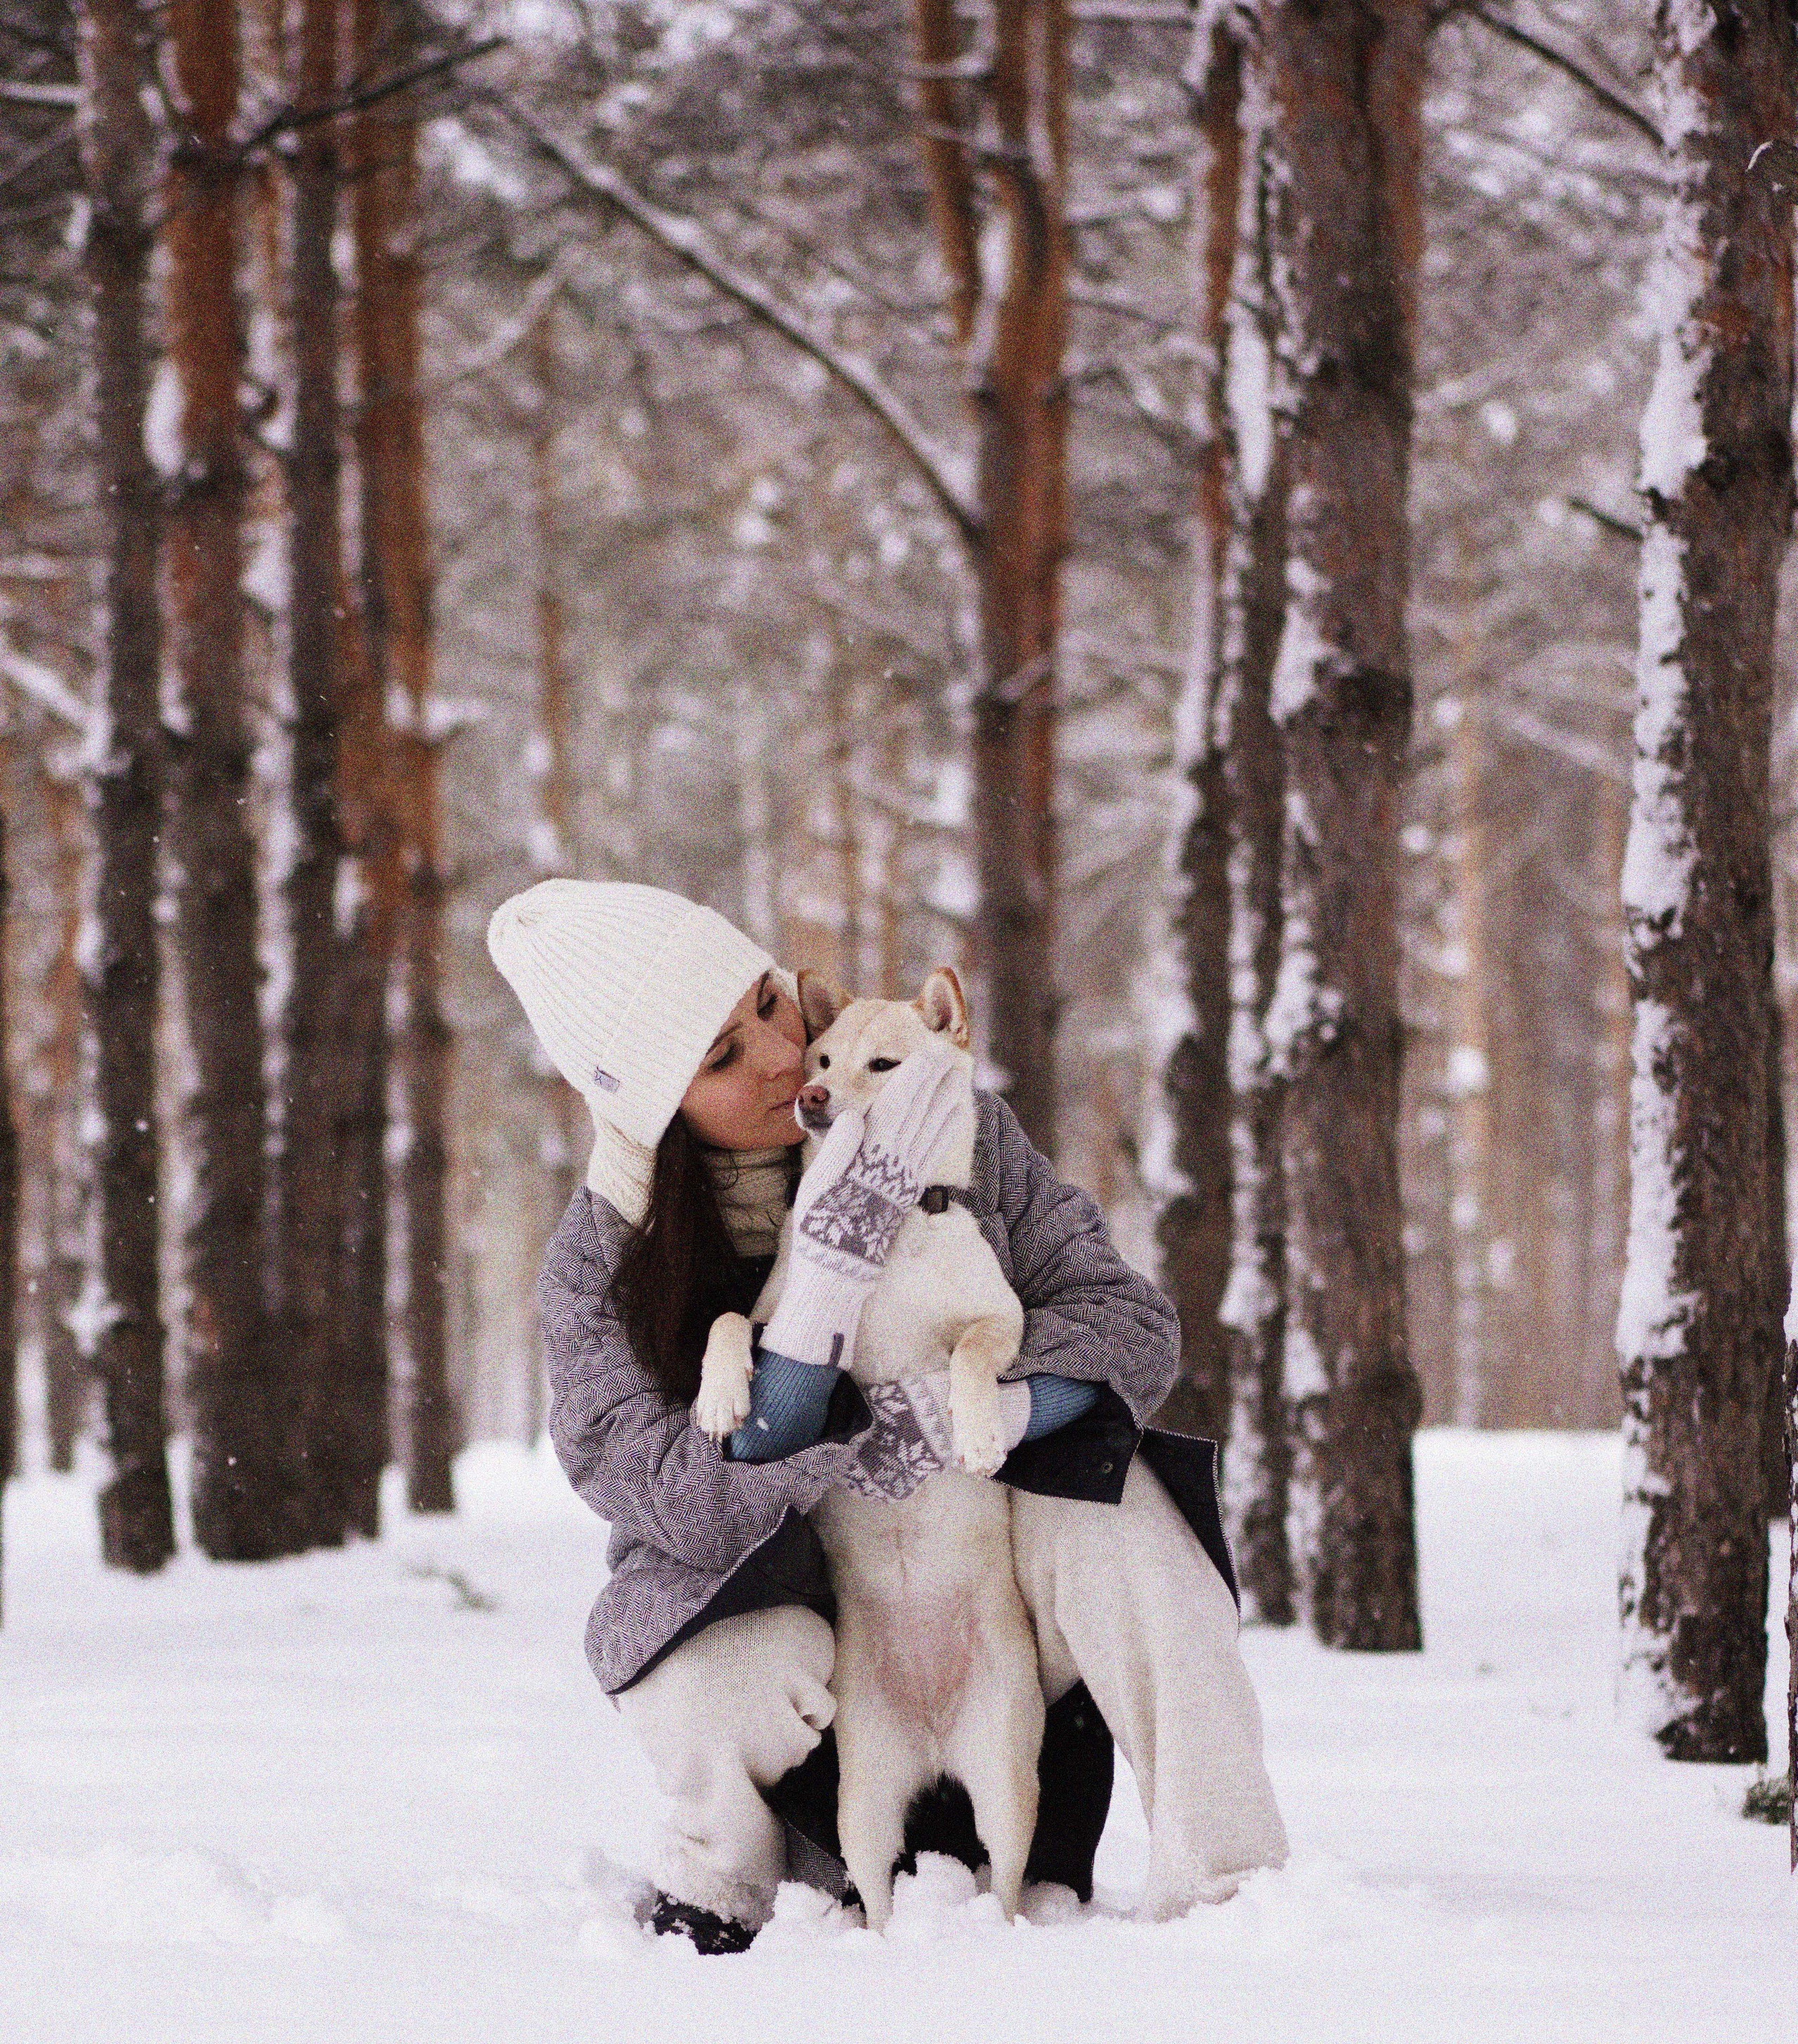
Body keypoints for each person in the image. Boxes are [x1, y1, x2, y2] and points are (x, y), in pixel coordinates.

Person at [488, 878, 1288, 1953]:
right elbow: (664, 1494)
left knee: (1128, 1515)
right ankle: (725, 1890)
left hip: (982, 1570)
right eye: (722, 1059)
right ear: (651, 1106)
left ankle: (1236, 1893)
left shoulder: (948, 1122)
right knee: (721, 1673)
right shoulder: (602, 1261)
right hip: (810, 1633)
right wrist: (819, 1301)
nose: (785, 1059)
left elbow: (1129, 1324)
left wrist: (986, 1408)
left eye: (769, 1004)